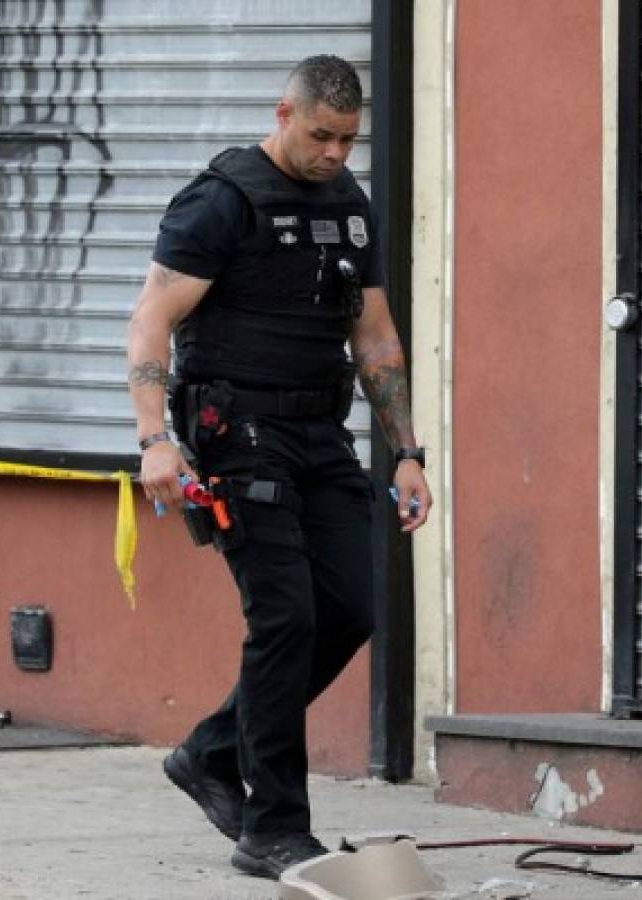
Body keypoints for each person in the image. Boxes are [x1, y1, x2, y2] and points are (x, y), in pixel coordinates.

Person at [125, 55, 432, 880]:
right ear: (284, 113)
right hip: (236, 431)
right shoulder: (223, 199)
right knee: (286, 616)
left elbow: (374, 334)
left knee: (349, 609)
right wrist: (156, 439)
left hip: (318, 431)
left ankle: (212, 753)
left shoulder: (347, 203)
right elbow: (152, 315)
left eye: (347, 140)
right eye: (322, 136)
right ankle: (275, 826)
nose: (335, 153)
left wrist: (406, 452)